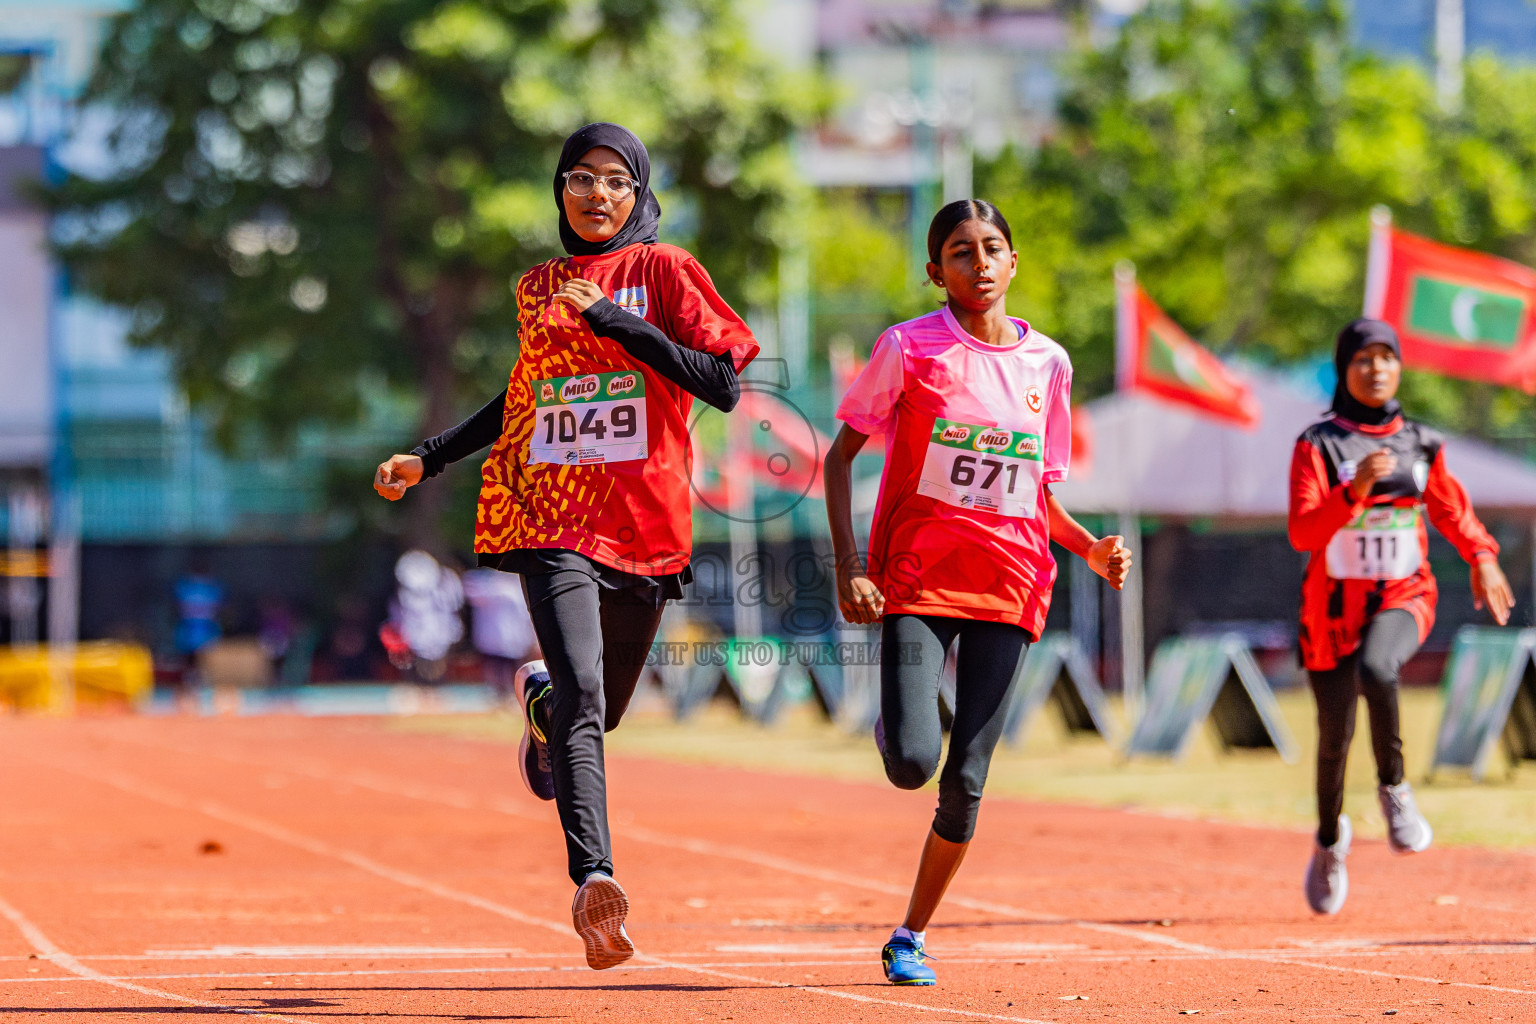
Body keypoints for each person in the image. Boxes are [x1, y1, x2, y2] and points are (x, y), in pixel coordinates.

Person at [372, 123, 757, 970]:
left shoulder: (666, 271)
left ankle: (543, 711)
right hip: (552, 511)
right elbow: (524, 394)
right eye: (578, 177)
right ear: (559, 189)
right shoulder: (537, 285)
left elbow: (722, 384)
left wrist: (619, 321)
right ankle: (596, 882)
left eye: (614, 181)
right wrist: (428, 458)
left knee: (599, 711)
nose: (594, 194)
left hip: (647, 524)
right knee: (586, 690)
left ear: (637, 193)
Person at [822, 199, 1132, 987]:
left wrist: (1088, 546)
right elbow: (839, 459)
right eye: (961, 252)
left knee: (966, 780)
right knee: (911, 764)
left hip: (1013, 583)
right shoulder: (909, 348)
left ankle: (909, 935)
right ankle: (916, 712)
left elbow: (1039, 492)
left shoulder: (1049, 365)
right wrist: (848, 564)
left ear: (1014, 262)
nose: (980, 263)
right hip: (918, 581)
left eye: (993, 248)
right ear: (937, 272)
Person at [1288, 318, 1515, 915]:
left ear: (1400, 367)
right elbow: (1303, 530)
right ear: (1345, 369)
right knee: (1334, 739)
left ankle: (1395, 788)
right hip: (1331, 608)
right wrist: (1351, 493)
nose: (1377, 368)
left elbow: (1452, 512)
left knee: (1379, 668)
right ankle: (1331, 841)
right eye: (1364, 358)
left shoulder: (1422, 442)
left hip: (1403, 594)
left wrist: (1483, 558)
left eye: (1388, 357)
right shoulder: (1319, 444)